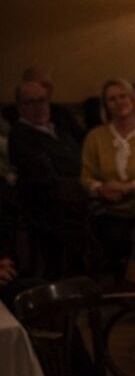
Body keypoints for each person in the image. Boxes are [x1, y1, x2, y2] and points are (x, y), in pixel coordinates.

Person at [81, 79, 135, 275]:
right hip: (105, 211)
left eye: (123, 96)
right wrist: (100, 189)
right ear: (106, 105)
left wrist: (130, 188)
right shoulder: (95, 137)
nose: (119, 102)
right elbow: (86, 177)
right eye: (112, 99)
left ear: (133, 99)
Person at [8, 80, 85, 278]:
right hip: (48, 211)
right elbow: (46, 177)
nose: (38, 107)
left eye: (42, 100)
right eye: (30, 102)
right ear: (20, 107)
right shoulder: (20, 136)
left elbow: (82, 160)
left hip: (79, 199)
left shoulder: (60, 129)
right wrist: (89, 187)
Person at [2, 66, 86, 144]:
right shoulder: (13, 117)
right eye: (43, 85)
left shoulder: (62, 113)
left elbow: (82, 139)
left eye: (49, 86)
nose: (48, 90)